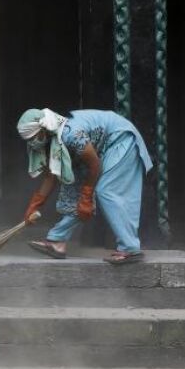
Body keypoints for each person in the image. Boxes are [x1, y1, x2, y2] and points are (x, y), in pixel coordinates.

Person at [17, 108, 153, 265]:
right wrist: (35, 204)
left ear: (43, 129)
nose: (32, 142)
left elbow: (95, 165)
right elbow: (50, 176)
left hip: (120, 139)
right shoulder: (49, 141)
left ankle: (130, 248)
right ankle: (57, 242)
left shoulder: (71, 134)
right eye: (28, 140)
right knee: (74, 195)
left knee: (106, 191)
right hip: (99, 149)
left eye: (33, 138)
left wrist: (87, 195)